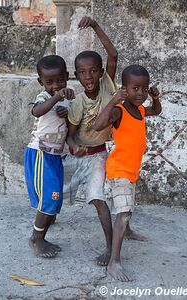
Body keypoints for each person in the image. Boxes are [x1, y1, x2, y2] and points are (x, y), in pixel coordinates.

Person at [93, 64, 162, 281]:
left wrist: (156, 98)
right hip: (119, 170)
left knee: (128, 204)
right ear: (124, 88)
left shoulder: (140, 110)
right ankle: (114, 262)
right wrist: (114, 100)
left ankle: (128, 232)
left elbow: (156, 111)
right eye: (135, 88)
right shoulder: (119, 110)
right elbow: (97, 125)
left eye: (144, 88)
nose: (140, 93)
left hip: (131, 170)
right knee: (123, 213)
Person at [66, 16, 118, 266]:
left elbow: (113, 53)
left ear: (101, 72)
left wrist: (97, 26)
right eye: (83, 72)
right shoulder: (77, 104)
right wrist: (73, 145)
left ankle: (111, 246)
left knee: (103, 196)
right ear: (76, 75)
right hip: (87, 154)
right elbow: (70, 132)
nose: (89, 76)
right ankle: (44, 226)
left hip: (106, 151)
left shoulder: (108, 86)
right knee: (63, 193)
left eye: (93, 71)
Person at [24, 55, 75, 258]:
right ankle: (37, 238)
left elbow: (71, 125)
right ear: (41, 82)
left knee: (54, 195)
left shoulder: (69, 98)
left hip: (55, 155)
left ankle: (49, 218)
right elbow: (37, 111)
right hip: (40, 153)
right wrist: (56, 97)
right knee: (50, 195)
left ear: (67, 77)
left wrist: (67, 112)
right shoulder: (44, 97)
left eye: (60, 80)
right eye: (49, 82)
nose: (55, 85)